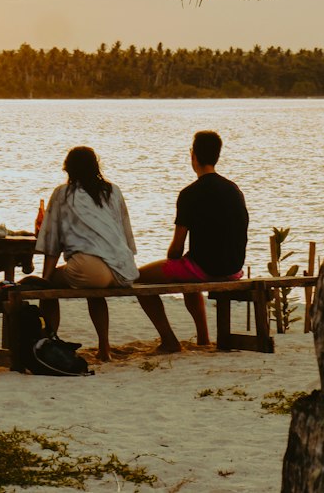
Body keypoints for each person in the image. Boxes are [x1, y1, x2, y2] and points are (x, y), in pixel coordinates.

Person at [137, 130, 249, 348]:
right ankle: (203, 338)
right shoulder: (234, 189)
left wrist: (171, 257)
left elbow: (176, 249)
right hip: (234, 267)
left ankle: (169, 339)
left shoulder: (189, 193)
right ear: (217, 156)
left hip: (205, 269)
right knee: (190, 268)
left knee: (139, 278)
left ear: (193, 156)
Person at [36, 146, 138, 362]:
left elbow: (52, 241)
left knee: (47, 286)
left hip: (92, 269)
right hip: (121, 269)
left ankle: (50, 340)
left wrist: (45, 277)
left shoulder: (64, 193)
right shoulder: (113, 191)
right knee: (96, 292)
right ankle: (104, 348)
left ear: (69, 170)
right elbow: (125, 233)